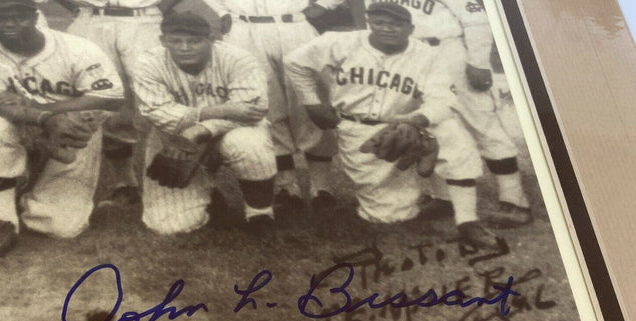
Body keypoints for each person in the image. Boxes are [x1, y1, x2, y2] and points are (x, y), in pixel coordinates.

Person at [285, 1, 493, 243]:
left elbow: (443, 98)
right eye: (380, 22)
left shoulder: (427, 55)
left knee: (453, 134)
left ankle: (468, 221)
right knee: (389, 217)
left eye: (396, 24)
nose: (387, 28)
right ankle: (405, 194)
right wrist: (311, 103)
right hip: (360, 132)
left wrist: (417, 120)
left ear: (411, 28)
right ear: (369, 23)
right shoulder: (340, 42)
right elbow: (294, 62)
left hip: (409, 125)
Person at [0, 0, 124, 256]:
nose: (9, 23)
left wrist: (46, 112)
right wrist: (41, 118)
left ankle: (23, 186)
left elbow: (111, 97)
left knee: (58, 227)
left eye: (18, 16)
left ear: (35, 16)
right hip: (18, 123)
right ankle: (3, 220)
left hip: (70, 128)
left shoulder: (76, 48)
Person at [201, 0, 353, 214]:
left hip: (295, 26)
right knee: (264, 105)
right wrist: (222, 10)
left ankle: (322, 188)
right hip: (244, 29)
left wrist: (325, 5)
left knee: (311, 102)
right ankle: (287, 187)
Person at [131, 11, 277, 235]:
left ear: (211, 40)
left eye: (194, 41)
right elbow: (159, 114)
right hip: (173, 137)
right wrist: (222, 110)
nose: (184, 47)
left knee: (250, 145)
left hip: (231, 133)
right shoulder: (147, 63)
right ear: (163, 41)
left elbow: (252, 113)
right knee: (169, 226)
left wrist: (201, 130)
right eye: (176, 41)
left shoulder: (239, 59)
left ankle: (260, 214)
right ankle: (208, 197)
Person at [398, 0, 532, 227]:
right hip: (407, 54)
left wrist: (478, 62)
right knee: (427, 125)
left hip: (446, 51)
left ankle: (515, 201)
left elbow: (476, 19)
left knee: (483, 125)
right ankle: (443, 197)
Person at [52, 0, 183, 212]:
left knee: (161, 98)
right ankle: (125, 183)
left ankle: (184, 184)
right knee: (101, 100)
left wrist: (161, 6)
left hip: (144, 22)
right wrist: (81, 7)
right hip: (91, 20)